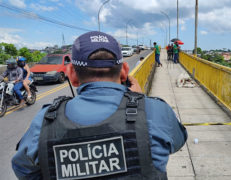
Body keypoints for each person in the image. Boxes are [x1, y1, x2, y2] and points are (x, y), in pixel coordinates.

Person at [12, 31, 187, 180]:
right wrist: (139, 101)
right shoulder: (156, 112)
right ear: (125, 71)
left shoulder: (44, 122)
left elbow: (23, 169)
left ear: (71, 74)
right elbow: (177, 141)